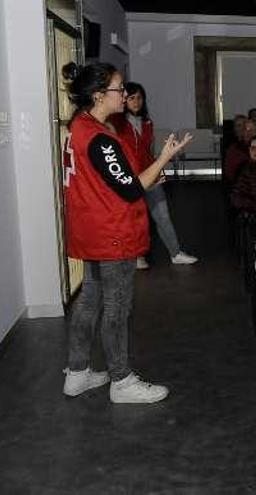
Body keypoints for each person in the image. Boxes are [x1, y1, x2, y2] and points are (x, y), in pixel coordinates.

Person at [60, 62, 191, 403]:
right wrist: (164, 157)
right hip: (111, 233)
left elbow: (112, 181)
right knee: (116, 309)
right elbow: (132, 190)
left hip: (91, 230)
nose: (125, 95)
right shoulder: (100, 138)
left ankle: (77, 373)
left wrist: (147, 173)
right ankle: (121, 380)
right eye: (119, 90)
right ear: (99, 95)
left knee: (89, 302)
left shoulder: (78, 126)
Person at [110, 82, 198, 269]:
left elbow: (148, 152)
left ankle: (175, 253)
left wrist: (158, 170)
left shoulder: (147, 123)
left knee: (163, 216)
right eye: (131, 97)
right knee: (135, 219)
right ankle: (137, 256)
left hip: (151, 176)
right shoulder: (116, 122)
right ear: (124, 99)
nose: (136, 102)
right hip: (131, 179)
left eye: (140, 98)